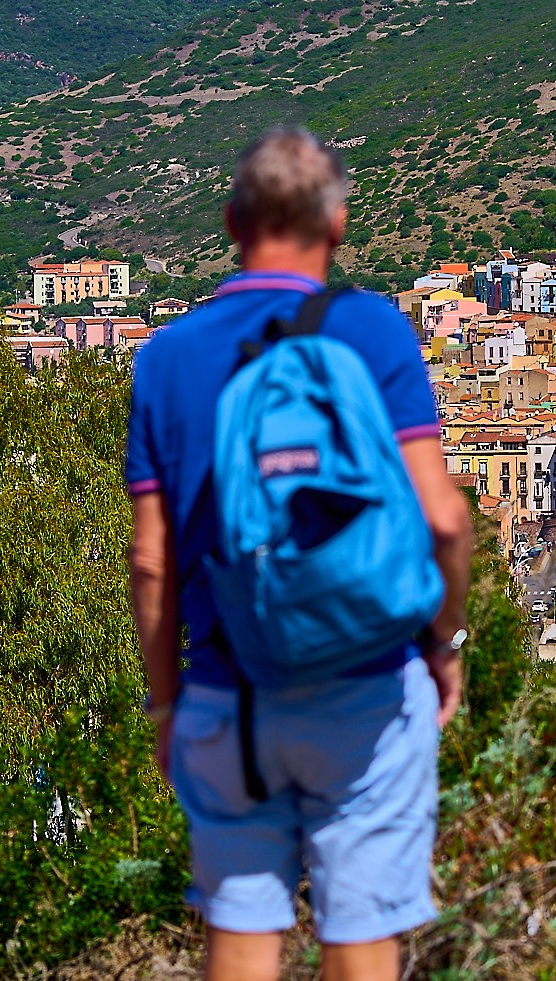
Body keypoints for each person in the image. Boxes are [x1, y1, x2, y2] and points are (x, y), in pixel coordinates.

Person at [125, 127, 474, 981]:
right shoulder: (373, 330)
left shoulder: (166, 357)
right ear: (340, 223)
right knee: (362, 941)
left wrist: (169, 704)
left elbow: (152, 561)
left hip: (226, 690)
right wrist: (444, 643)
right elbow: (444, 519)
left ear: (230, 222)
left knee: (242, 942)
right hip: (364, 685)